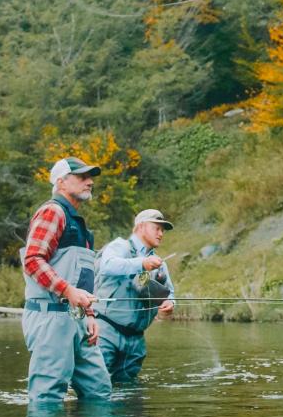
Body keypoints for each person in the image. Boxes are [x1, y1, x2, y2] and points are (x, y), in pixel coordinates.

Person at [20, 156, 112, 403]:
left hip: (77, 319)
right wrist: (68, 291)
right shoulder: (53, 211)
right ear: (61, 183)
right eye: (82, 177)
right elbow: (32, 260)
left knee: (99, 392)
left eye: (90, 177)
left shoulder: (78, 225)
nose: (90, 182)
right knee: (47, 396)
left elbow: (81, 277)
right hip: (50, 317)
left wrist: (90, 315)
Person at [92, 209, 177, 383]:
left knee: (129, 391)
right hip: (106, 331)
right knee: (95, 385)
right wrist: (142, 263)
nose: (161, 234)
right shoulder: (119, 246)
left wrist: (170, 303)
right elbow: (107, 266)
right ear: (141, 227)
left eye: (163, 230)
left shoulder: (160, 264)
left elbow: (170, 293)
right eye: (157, 228)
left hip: (136, 340)